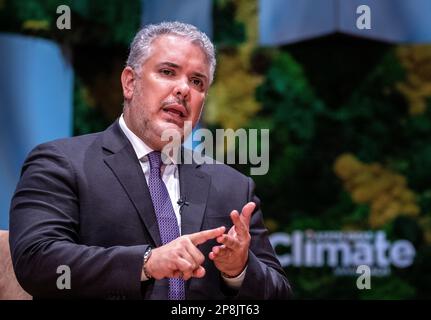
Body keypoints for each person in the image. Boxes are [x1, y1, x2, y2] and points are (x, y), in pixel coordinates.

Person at [9, 21, 292, 299]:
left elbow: (279, 292)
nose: (184, 90)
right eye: (168, 72)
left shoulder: (233, 186)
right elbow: (36, 261)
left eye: (197, 82)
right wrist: (146, 263)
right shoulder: (61, 163)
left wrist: (238, 269)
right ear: (130, 82)